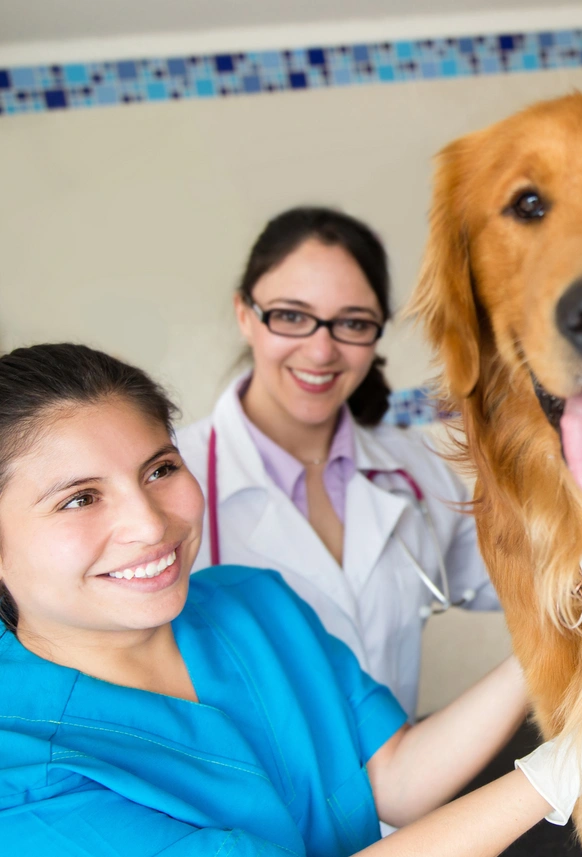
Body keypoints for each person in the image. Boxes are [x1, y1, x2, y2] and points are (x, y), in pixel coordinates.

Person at [0, 343, 582, 856]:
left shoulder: (250, 603)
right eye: (79, 499)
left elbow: (394, 780)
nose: (149, 523)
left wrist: (559, 621)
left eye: (160, 469)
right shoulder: (19, 776)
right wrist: (573, 764)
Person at [177, 207, 499, 715]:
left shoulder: (411, 468)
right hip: (258, 793)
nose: (322, 350)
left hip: (414, 784)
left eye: (352, 323)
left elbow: (522, 575)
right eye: (292, 316)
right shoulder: (174, 480)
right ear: (245, 315)